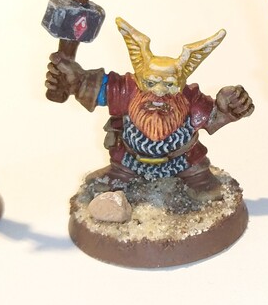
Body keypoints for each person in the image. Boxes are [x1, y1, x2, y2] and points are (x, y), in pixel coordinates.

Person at [45, 17, 252, 199]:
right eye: (151, 83)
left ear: (180, 83)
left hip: (183, 160)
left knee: (202, 181)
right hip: (129, 159)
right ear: (140, 79)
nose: (159, 93)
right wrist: (75, 80)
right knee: (117, 173)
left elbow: (214, 117)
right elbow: (94, 87)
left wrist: (230, 107)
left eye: (169, 85)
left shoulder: (190, 98)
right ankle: (119, 177)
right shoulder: (126, 89)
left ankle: (199, 180)